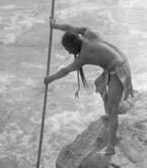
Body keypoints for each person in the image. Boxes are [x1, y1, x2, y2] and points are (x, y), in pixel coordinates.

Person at [44, 19, 133, 155]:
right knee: (99, 85)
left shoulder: (83, 57)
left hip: (119, 70)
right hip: (119, 61)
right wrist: (55, 25)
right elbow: (70, 26)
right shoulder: (88, 33)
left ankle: (111, 146)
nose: (68, 53)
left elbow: (65, 71)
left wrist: (50, 79)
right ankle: (109, 115)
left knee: (113, 108)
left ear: (73, 45)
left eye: (68, 50)